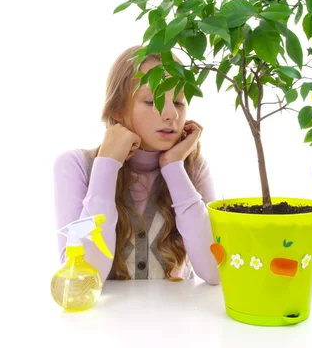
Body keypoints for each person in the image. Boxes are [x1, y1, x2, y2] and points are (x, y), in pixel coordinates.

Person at [53, 45, 220, 285]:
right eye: (153, 101)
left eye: (180, 102)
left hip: (179, 320)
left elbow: (214, 272)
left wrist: (173, 167)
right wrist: (107, 165)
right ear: (117, 110)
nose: (171, 114)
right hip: (104, 323)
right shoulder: (75, 166)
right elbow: (82, 278)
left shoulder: (192, 168)